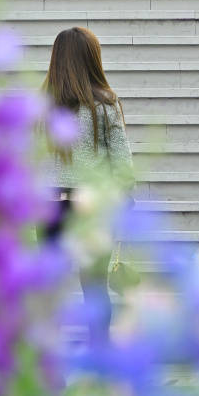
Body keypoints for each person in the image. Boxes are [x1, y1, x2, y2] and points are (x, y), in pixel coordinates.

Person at [42, 26, 133, 342]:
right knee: (94, 286)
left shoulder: (42, 107)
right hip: (92, 206)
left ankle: (46, 354)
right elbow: (123, 165)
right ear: (92, 59)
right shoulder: (104, 105)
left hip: (49, 206)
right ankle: (99, 352)